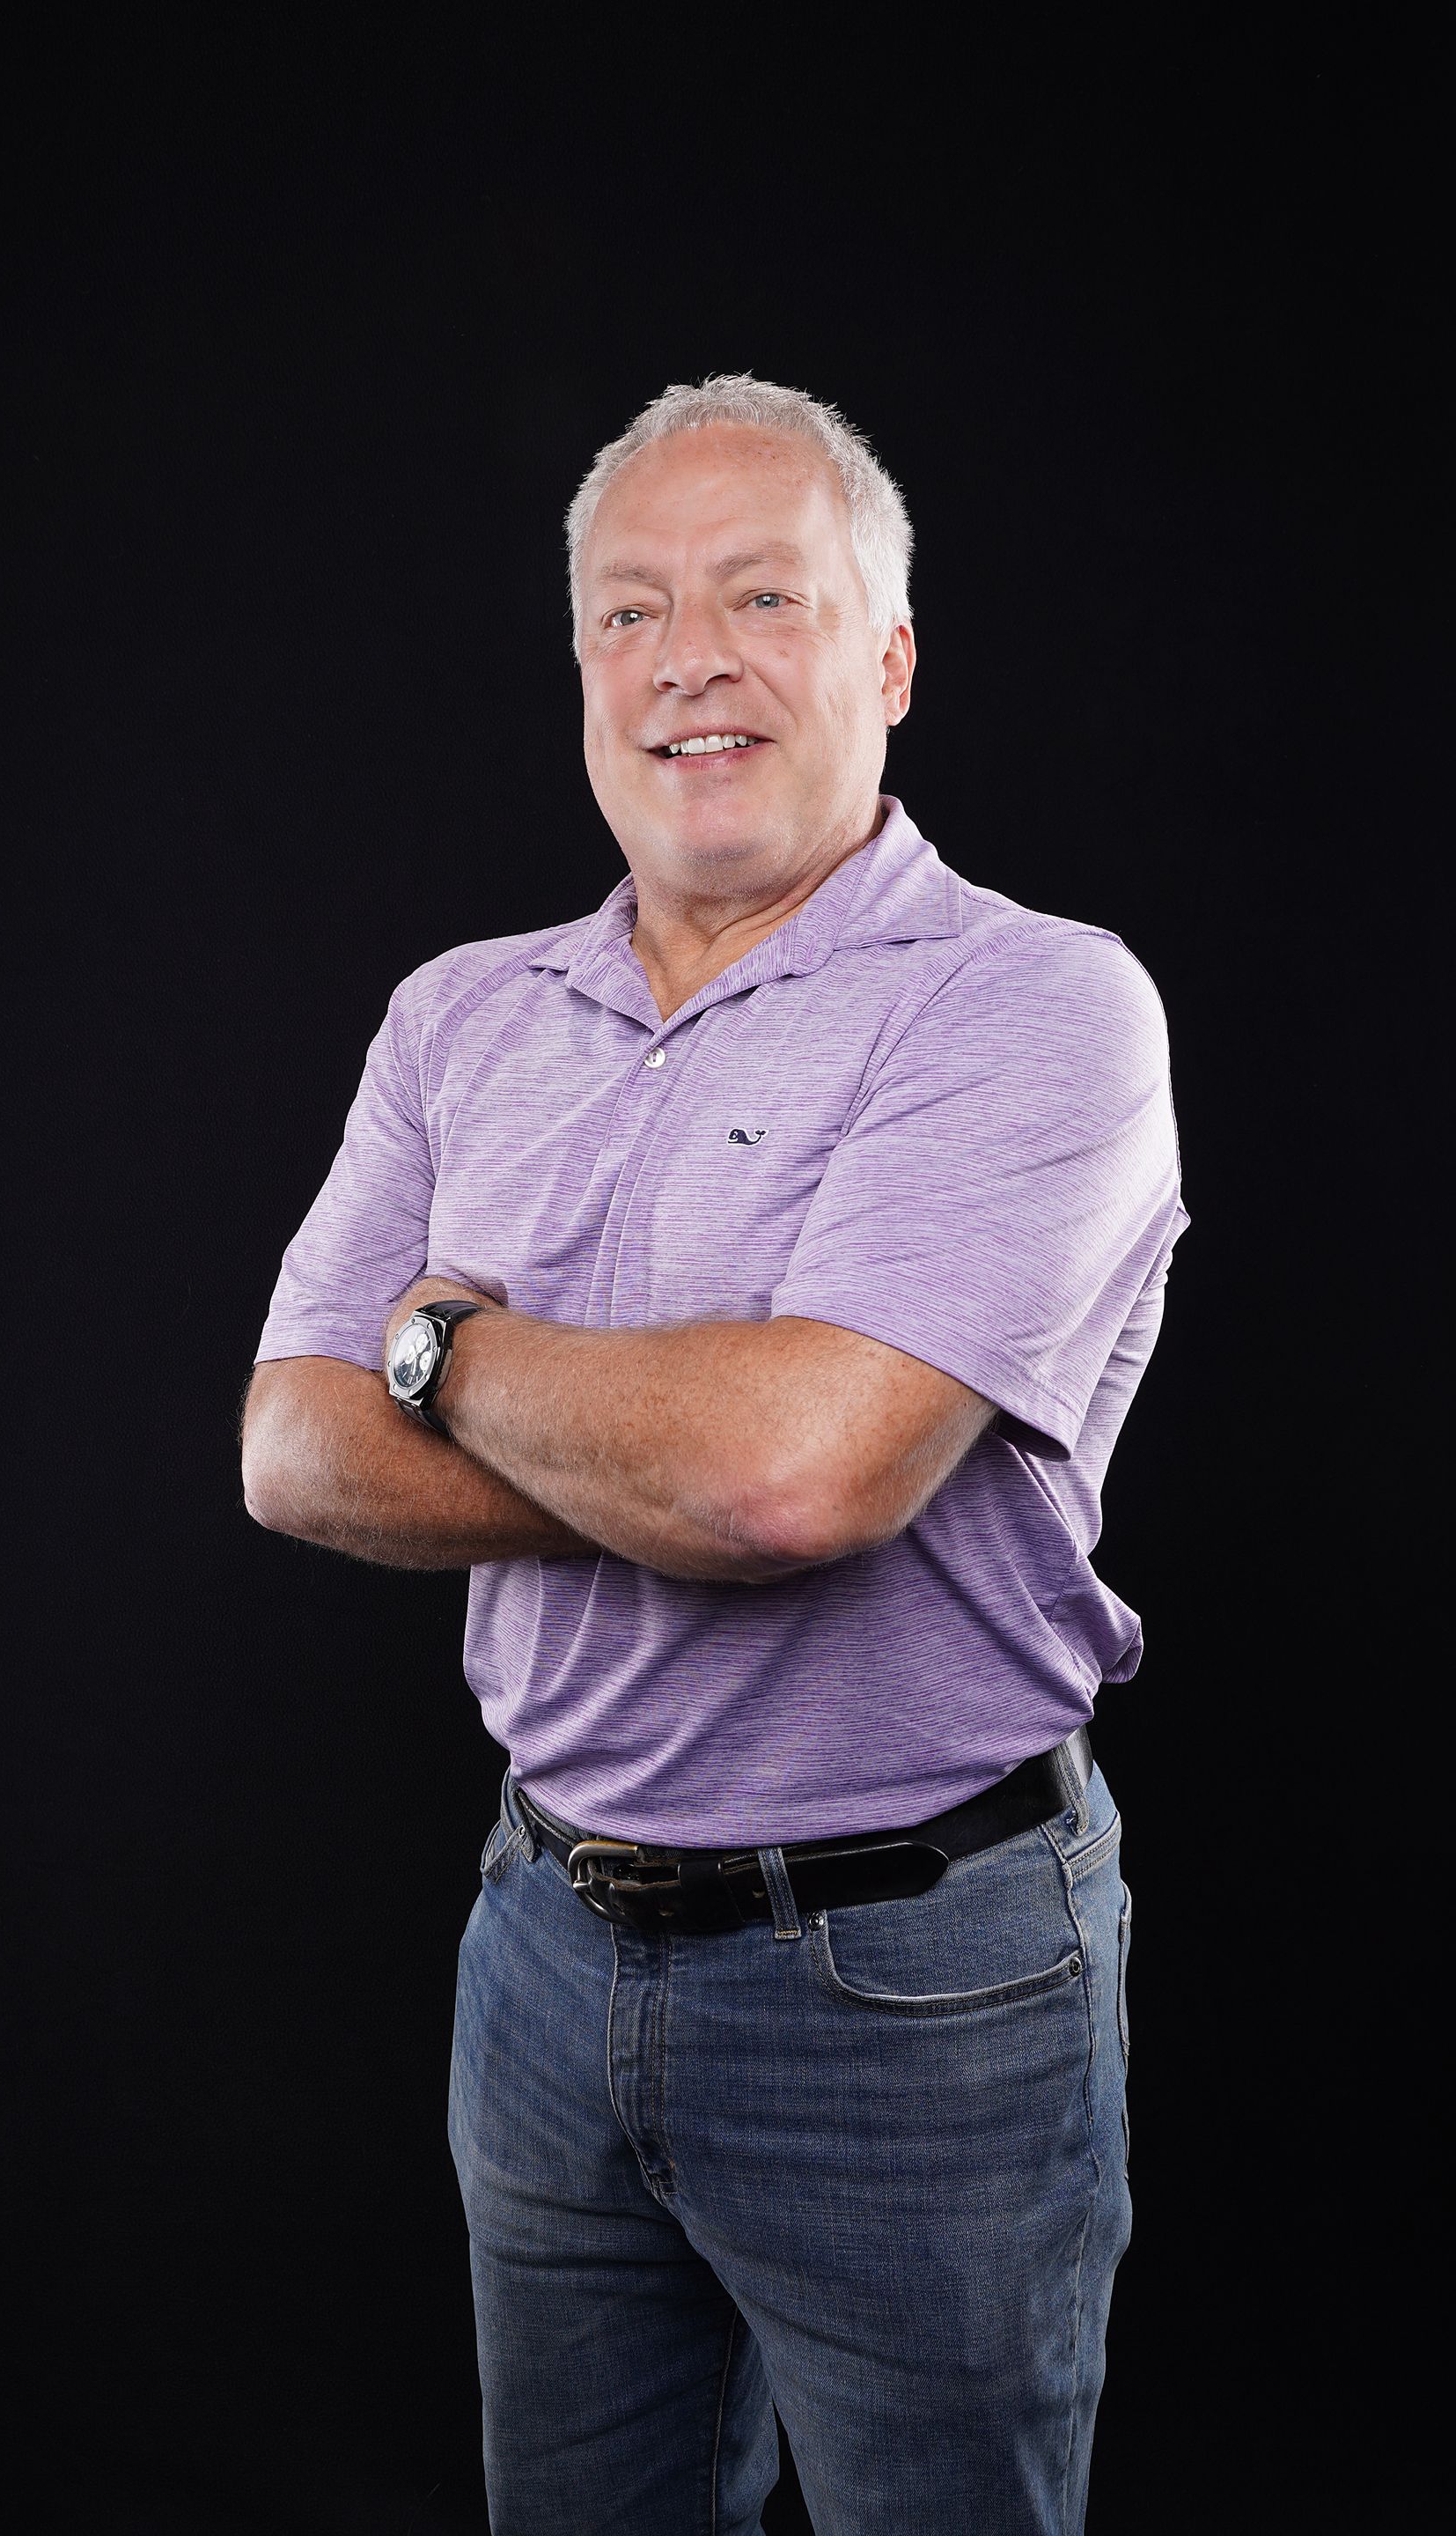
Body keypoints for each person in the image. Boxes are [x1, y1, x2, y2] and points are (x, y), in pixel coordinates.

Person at [241, 374, 1187, 2534]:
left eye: (768, 595)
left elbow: (793, 1485)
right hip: (542, 1946)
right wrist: (665, 1421)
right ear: (582, 660)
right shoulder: (459, 1014)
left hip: (922, 1979)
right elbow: (290, 1455)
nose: (690, 660)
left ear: (892, 659)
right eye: (630, 609)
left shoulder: (1034, 1008)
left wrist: (442, 1338)